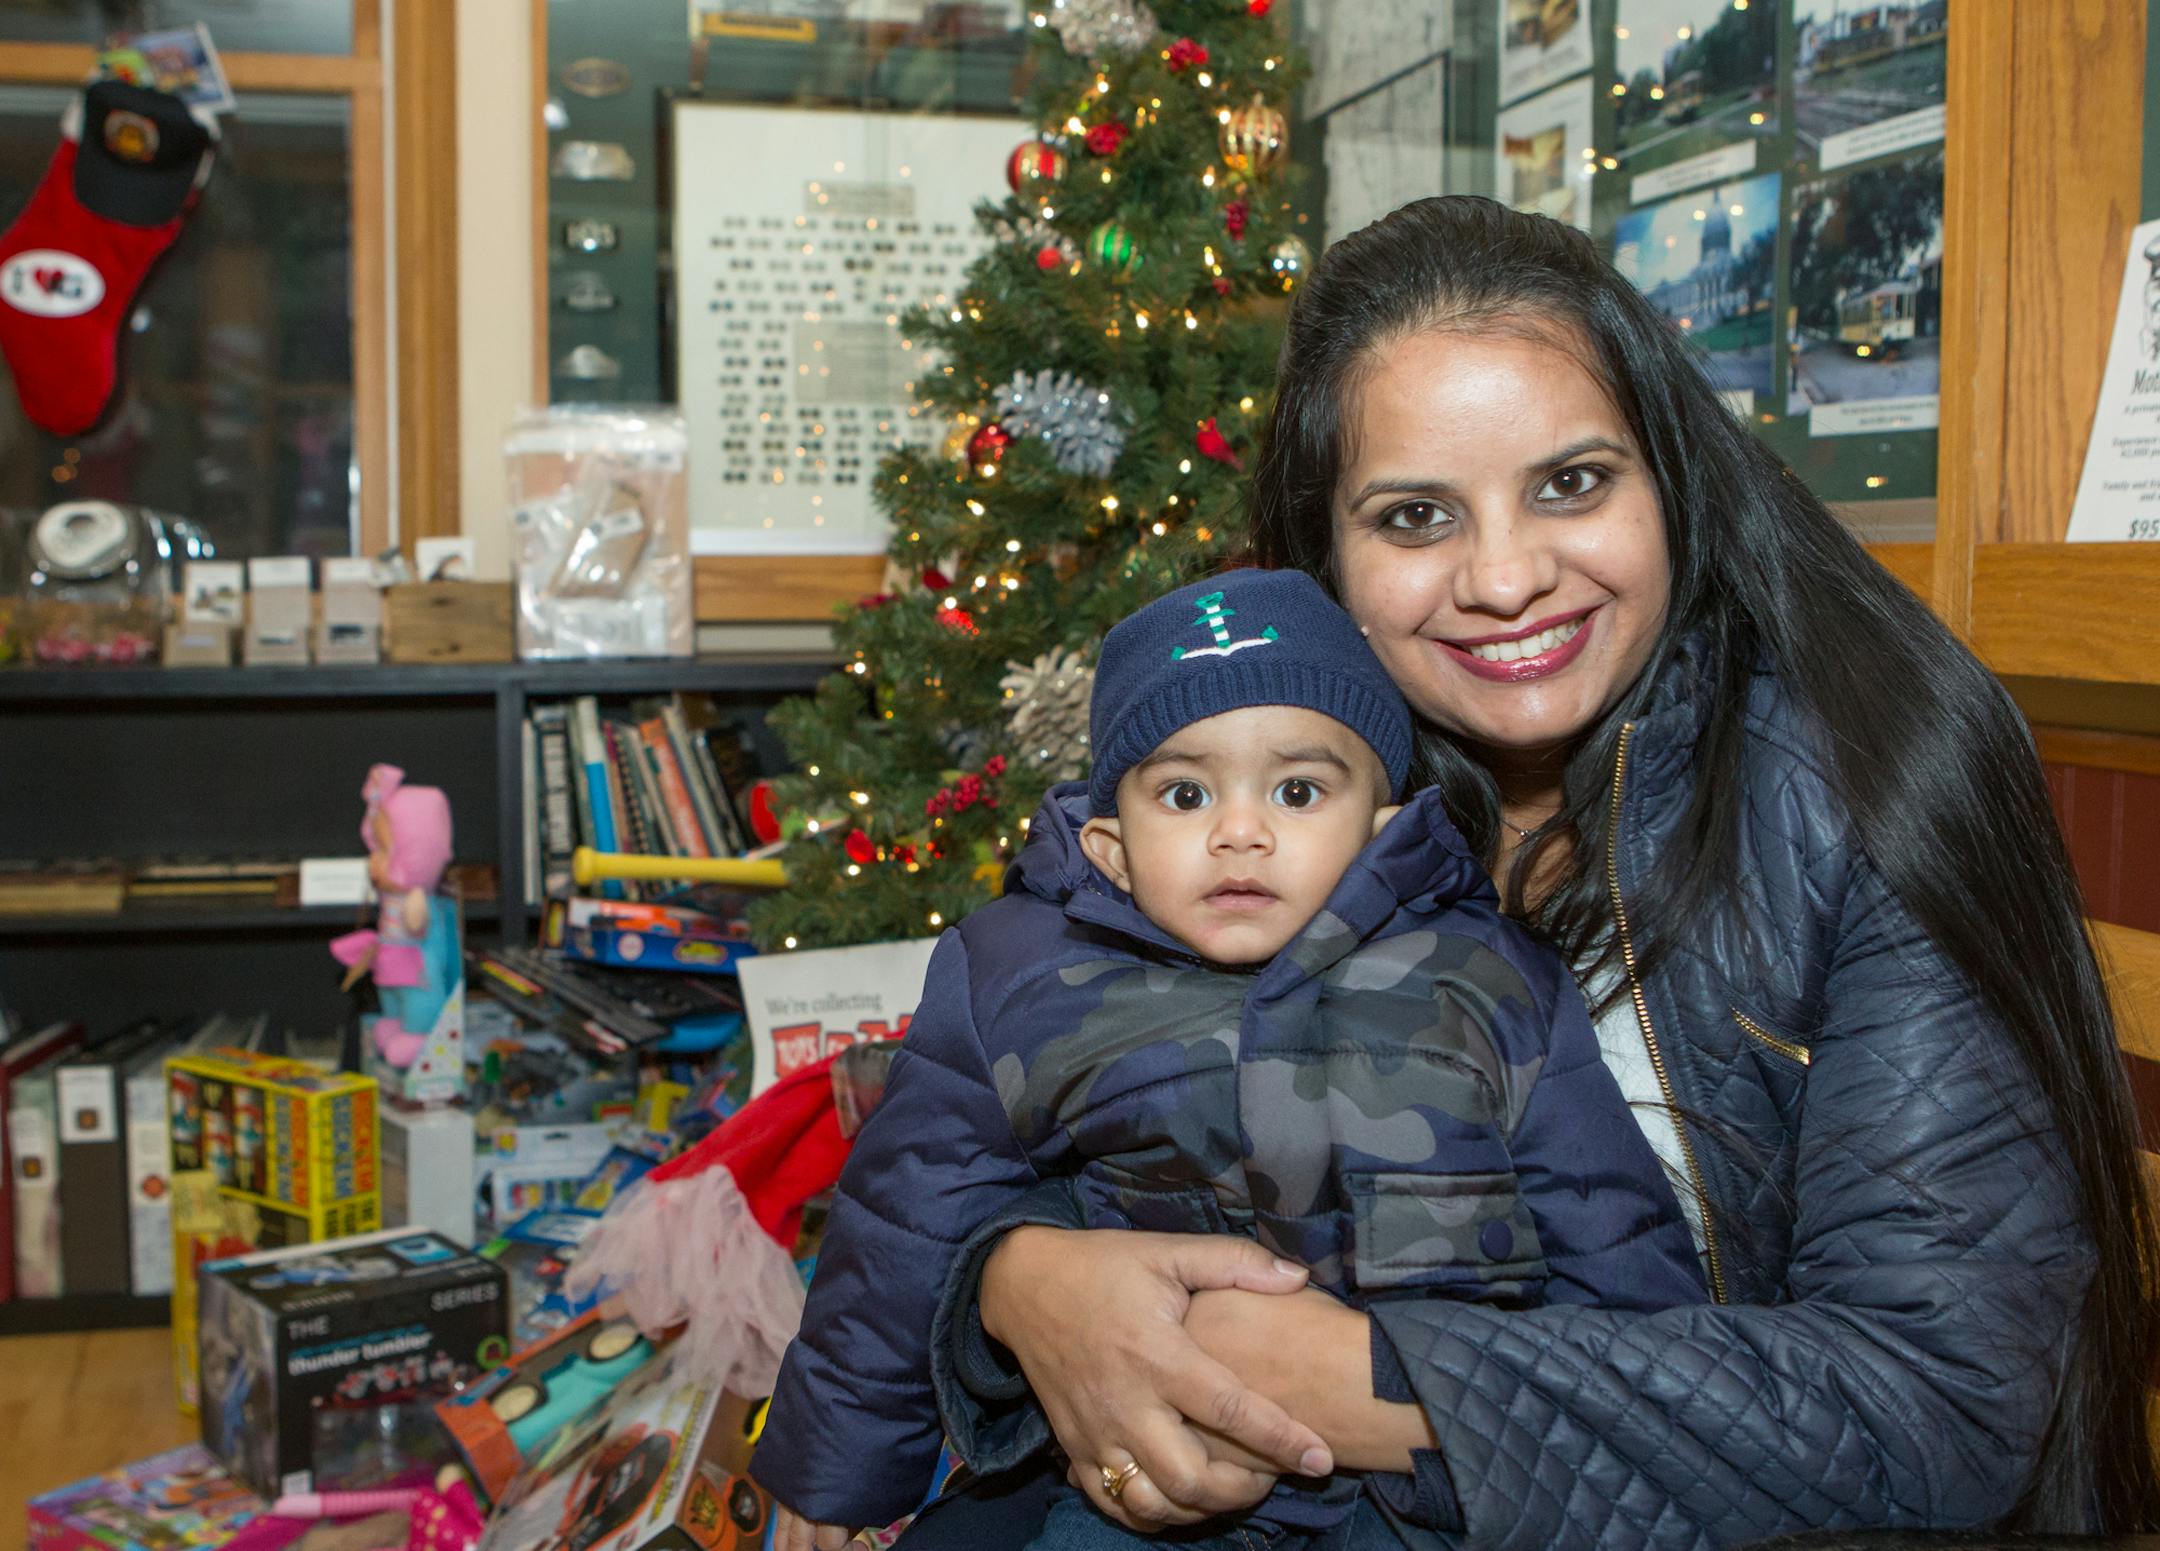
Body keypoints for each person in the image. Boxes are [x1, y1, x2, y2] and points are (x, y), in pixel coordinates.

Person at [906, 195, 2160, 1548]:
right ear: (1324, 556)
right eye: (1415, 515)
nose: (1503, 577)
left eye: (1571, 481)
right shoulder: (1308, 798)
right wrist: (1024, 1281)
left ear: (1668, 476)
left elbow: (1939, 1399)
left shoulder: (1873, 773)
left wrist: (1360, 1383)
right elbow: (1082, 1088)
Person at [754, 568, 1707, 1551]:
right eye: (1184, 792)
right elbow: (901, 1223)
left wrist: (1655, 1472)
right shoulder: (1018, 979)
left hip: (1430, 1496)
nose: (1239, 831)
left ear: (1381, 830)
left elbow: (1615, 1239)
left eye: (1298, 790)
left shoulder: (1488, 975)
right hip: (1154, 1486)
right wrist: (837, 1465)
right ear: (1112, 846)